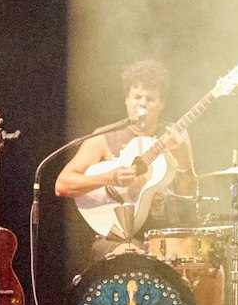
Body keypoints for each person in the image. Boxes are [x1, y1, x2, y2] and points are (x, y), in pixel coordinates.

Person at [55, 59, 196, 253]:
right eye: (137, 97)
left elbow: (188, 195)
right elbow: (62, 185)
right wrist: (109, 178)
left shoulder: (173, 137)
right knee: (131, 257)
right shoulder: (104, 137)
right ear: (126, 99)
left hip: (164, 237)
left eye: (150, 99)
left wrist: (183, 160)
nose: (142, 104)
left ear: (162, 104)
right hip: (117, 238)